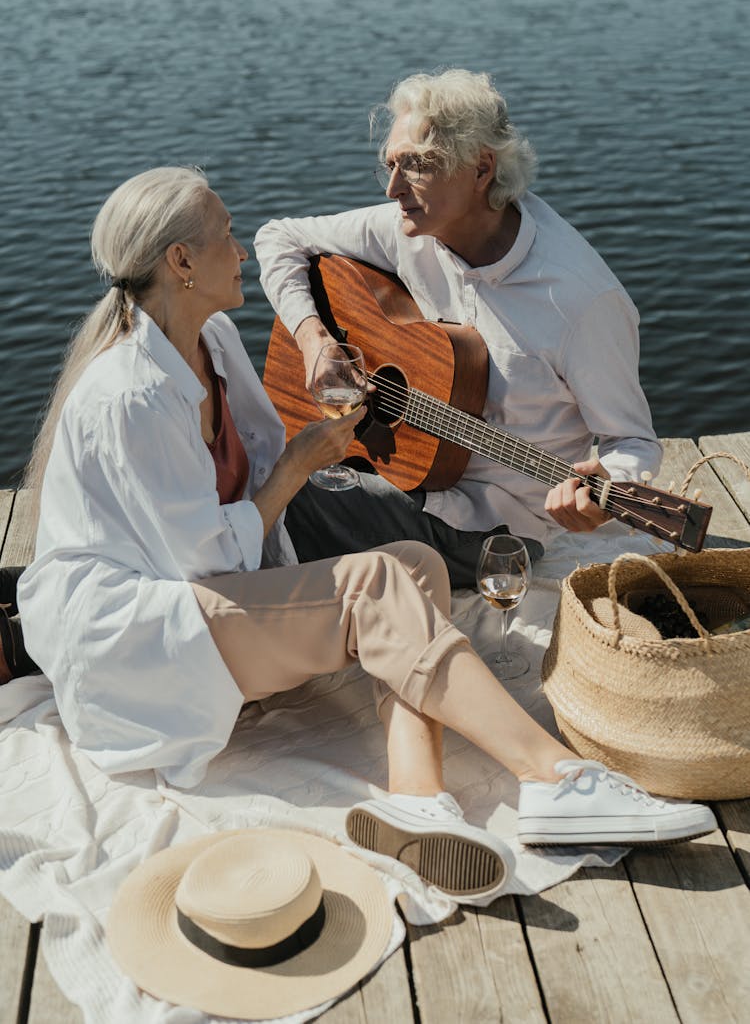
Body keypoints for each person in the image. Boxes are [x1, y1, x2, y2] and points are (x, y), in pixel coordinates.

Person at [8, 167, 713, 907]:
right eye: (223, 236)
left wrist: (323, 423)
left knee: (408, 564)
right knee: (373, 583)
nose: (242, 250)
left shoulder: (210, 338)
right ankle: (554, 777)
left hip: (202, 596)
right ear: (180, 263)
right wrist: (298, 466)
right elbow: (208, 558)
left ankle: (414, 794)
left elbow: (244, 484)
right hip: (140, 633)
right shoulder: (130, 393)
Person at [255, 69, 663, 588]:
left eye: (416, 168)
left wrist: (606, 490)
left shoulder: (581, 302)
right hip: (407, 470)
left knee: (287, 495)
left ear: (481, 169)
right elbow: (277, 238)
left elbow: (632, 442)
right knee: (262, 458)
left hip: (495, 523)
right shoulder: (411, 227)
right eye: (391, 165)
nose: (393, 188)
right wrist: (314, 339)